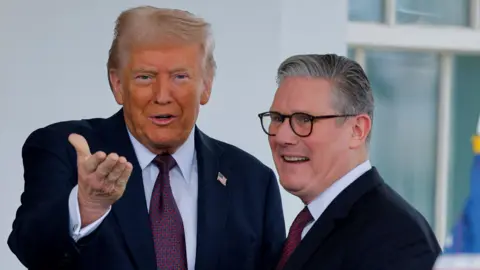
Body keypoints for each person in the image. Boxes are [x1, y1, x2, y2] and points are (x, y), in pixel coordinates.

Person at [8, 6, 285, 270]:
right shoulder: (65, 150)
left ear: (206, 85)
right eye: (144, 77)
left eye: (179, 76)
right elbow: (30, 248)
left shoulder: (253, 182)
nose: (162, 95)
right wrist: (86, 206)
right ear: (117, 85)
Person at [257, 53, 441, 270]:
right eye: (278, 118)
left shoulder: (398, 239)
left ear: (357, 130)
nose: (282, 137)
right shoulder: (311, 224)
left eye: (305, 120)